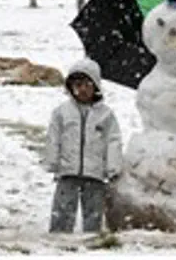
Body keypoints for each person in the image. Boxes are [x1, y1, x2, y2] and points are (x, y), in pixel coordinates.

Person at [45, 58, 123, 234]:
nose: (82, 89)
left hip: (94, 173)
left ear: (95, 86)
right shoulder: (62, 113)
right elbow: (53, 137)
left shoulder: (106, 115)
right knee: (62, 209)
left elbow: (113, 141)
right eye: (77, 85)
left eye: (87, 84)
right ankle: (59, 236)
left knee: (93, 211)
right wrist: (52, 161)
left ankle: (92, 237)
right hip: (67, 171)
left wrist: (113, 166)